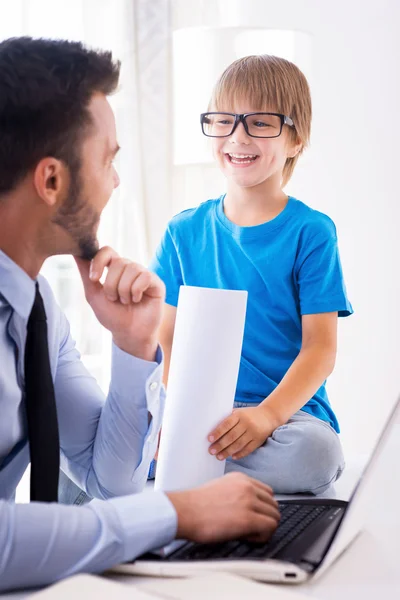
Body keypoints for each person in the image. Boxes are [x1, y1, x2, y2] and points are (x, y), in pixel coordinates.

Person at [0, 38, 280, 593]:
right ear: (52, 180)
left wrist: (133, 344)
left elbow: (110, 484)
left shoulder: (37, 313)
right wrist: (176, 513)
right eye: (108, 159)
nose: (115, 181)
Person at [151, 55, 353, 495]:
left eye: (260, 123)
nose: (237, 137)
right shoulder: (182, 231)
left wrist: (265, 416)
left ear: (296, 140)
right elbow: (167, 341)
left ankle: (176, 473)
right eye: (224, 121)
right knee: (91, 435)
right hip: (198, 411)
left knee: (317, 454)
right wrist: (168, 418)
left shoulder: (312, 233)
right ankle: (178, 465)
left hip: (286, 417)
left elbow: (320, 349)